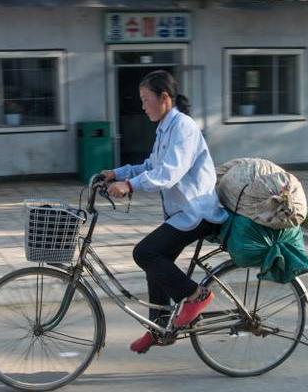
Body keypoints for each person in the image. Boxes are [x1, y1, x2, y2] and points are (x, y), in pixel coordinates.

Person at [102, 70, 228, 354]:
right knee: (154, 264)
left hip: (198, 212)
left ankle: (197, 295)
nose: (143, 106)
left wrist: (130, 185)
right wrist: (117, 173)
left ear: (165, 98)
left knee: (144, 253)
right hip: (182, 213)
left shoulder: (183, 127)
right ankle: (160, 328)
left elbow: (168, 174)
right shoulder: (165, 127)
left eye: (146, 100)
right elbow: (152, 165)